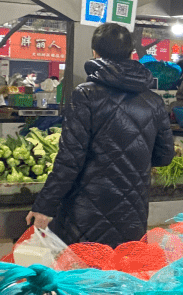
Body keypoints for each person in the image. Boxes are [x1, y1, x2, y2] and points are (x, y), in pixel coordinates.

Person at [26, 23, 175, 246]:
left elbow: (70, 158)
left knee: (84, 277)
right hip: (132, 215)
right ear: (131, 53)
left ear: (95, 52)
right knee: (122, 277)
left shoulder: (85, 95)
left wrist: (44, 206)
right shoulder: (153, 101)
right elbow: (165, 156)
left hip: (86, 213)